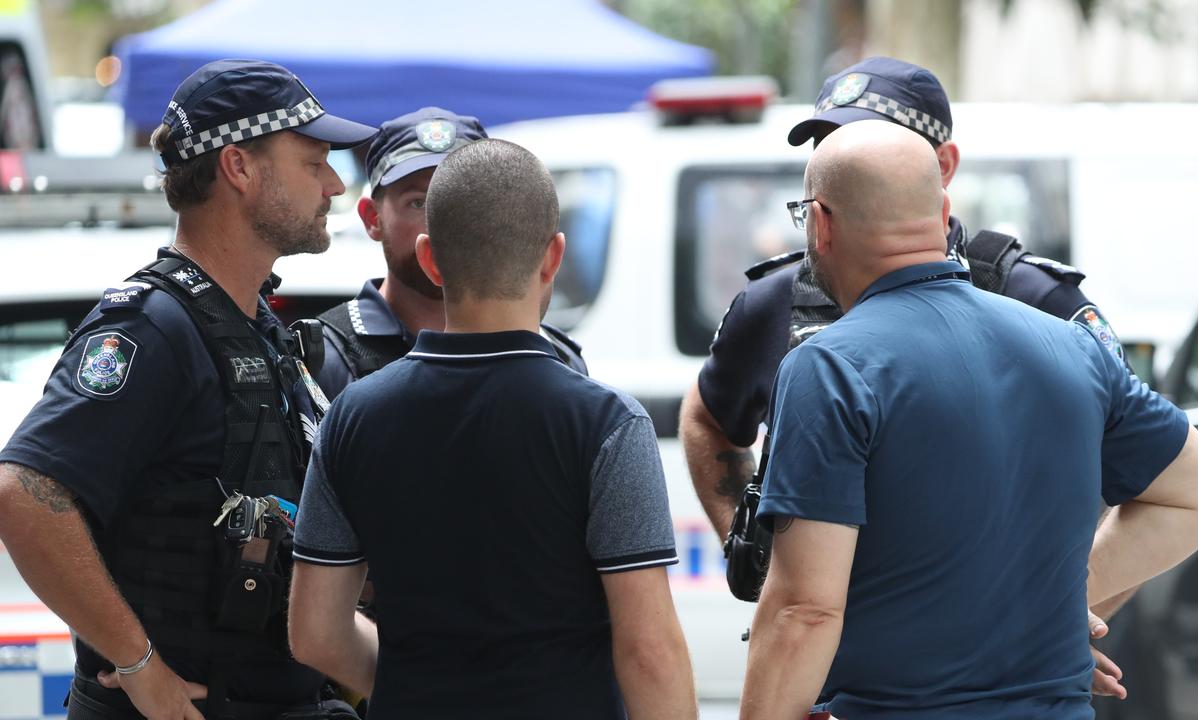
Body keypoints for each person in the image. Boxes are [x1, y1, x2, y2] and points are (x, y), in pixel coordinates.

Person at [738, 120, 1198, 720]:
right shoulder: (1071, 347)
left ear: (819, 223)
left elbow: (803, 611)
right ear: (942, 210)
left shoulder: (830, 367)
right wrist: (1055, 602)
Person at [0, 59, 375, 719]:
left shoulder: (256, 329)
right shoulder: (153, 325)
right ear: (238, 167)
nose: (336, 186)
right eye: (314, 163)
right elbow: (24, 496)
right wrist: (138, 663)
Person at [287, 138, 697, 719]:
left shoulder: (354, 415)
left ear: (430, 259)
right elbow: (650, 650)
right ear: (553, 257)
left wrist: (417, 683)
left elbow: (314, 635)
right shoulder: (607, 425)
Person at [680, 56, 1125, 543]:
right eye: (827, 150)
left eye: (874, 147)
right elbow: (707, 418)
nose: (845, 168)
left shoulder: (1035, 300)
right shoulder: (774, 301)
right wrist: (749, 553)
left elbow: (1143, 472)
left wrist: (1074, 600)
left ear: (944, 167)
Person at [311, 107, 586, 400]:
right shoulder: (325, 358)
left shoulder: (553, 355)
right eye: (418, 203)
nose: (441, 223)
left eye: (464, 204)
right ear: (372, 219)